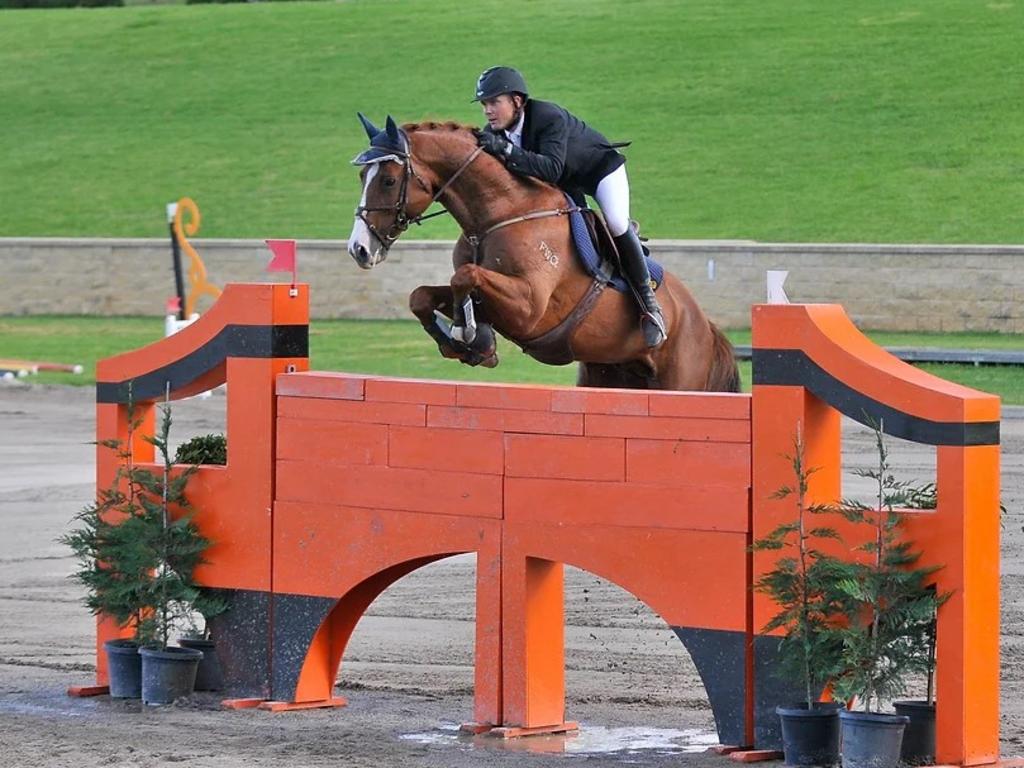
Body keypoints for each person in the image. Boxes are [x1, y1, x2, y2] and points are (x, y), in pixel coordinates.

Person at [473, 66, 667, 348]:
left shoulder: (547, 117)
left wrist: (506, 151)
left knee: (615, 222)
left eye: (494, 102)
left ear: (516, 101)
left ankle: (649, 306)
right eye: (484, 105)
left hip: (600, 171)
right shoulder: (494, 132)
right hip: (566, 185)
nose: (488, 111)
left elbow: (551, 168)